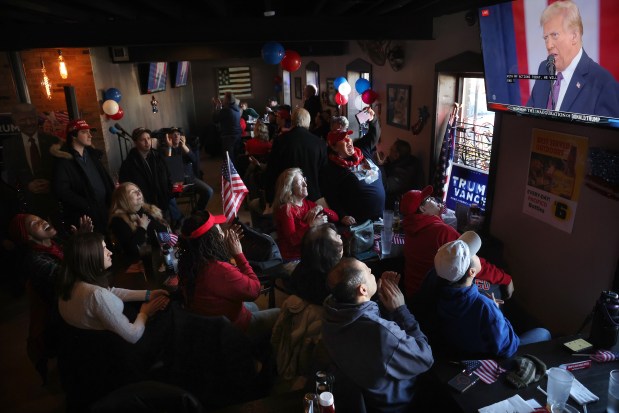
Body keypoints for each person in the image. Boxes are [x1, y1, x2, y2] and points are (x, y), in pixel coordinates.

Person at [322, 258, 434, 412]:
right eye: (369, 271)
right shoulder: (382, 333)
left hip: (361, 396)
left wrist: (377, 301)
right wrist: (400, 309)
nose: (372, 273)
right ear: (362, 290)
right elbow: (425, 358)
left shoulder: (331, 311)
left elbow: (364, 324)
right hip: (393, 403)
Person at [433, 231, 551, 358]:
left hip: (456, 350)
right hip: (488, 359)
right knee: (544, 333)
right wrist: (496, 311)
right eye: (474, 255)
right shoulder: (485, 307)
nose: (479, 257)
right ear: (472, 272)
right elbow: (509, 349)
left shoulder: (434, 286)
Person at [177, 211, 280, 339]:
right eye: (218, 230)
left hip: (208, 325)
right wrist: (238, 254)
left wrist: (223, 249)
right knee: (280, 313)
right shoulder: (221, 270)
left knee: (253, 307)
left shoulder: (188, 263)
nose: (222, 232)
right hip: (231, 330)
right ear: (211, 238)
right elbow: (255, 291)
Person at [401, 185, 513, 300]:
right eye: (429, 199)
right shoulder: (442, 232)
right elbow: (472, 263)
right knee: (495, 287)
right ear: (422, 209)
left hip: (414, 295)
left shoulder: (410, 228)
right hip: (435, 300)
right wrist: (505, 278)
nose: (434, 199)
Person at [57, 232, 170, 343]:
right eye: (104, 249)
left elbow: (110, 292)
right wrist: (145, 313)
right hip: (118, 344)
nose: (110, 252)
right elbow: (133, 335)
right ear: (90, 257)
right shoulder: (96, 295)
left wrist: (148, 294)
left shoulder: (72, 282)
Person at [270, 223, 342, 383]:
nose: (340, 238)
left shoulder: (300, 271)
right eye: (337, 239)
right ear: (329, 254)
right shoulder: (333, 287)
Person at [526, 0, 619, 117]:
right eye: (546, 38)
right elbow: (529, 117)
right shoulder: (544, 68)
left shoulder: (603, 83)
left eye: (554, 35)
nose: (549, 45)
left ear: (574, 36)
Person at [53, 119, 115, 234]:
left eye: (89, 132)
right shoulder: (64, 160)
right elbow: (62, 190)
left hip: (104, 209)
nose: (90, 135)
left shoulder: (93, 155)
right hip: (85, 215)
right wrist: (87, 205)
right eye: (84, 132)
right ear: (73, 136)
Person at [320, 117, 385, 225]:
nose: (348, 141)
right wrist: (342, 215)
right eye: (343, 140)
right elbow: (330, 196)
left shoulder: (362, 150)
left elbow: (374, 135)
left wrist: (372, 119)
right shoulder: (332, 168)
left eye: (348, 137)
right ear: (334, 147)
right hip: (360, 224)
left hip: (380, 217)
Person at [3, 103, 60, 220]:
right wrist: (26, 186)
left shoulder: (52, 141)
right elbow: (10, 176)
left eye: (32, 118)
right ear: (15, 121)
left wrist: (52, 184)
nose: (29, 123)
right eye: (23, 120)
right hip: (29, 207)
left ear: (37, 119)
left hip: (56, 202)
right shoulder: (9, 145)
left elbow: (62, 170)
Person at [272, 168, 338, 263]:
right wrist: (312, 225)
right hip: (294, 257)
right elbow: (292, 241)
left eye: (304, 180)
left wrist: (321, 208)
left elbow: (335, 218)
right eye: (300, 182)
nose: (305, 184)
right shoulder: (286, 209)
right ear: (289, 188)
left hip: (310, 252)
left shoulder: (307, 204)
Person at [264, 108, 327, 205]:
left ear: (292, 121)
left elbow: (272, 169)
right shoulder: (320, 143)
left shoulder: (280, 141)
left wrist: (269, 197)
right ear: (308, 122)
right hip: (312, 195)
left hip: (287, 195)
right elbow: (323, 174)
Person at [108, 182, 170, 267]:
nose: (138, 192)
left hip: (162, 259)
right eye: (133, 192)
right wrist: (142, 228)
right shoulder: (118, 220)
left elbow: (165, 233)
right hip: (140, 266)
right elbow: (131, 250)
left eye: (138, 190)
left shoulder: (149, 210)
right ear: (123, 199)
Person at [118, 127, 174, 217]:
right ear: (135, 142)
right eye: (142, 140)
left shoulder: (157, 156)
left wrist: (169, 194)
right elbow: (125, 187)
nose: (147, 142)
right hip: (144, 208)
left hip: (163, 203)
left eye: (148, 138)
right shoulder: (129, 164)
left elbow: (167, 175)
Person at [161, 127, 214, 211]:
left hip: (190, 181)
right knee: (171, 195)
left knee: (209, 191)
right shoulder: (166, 150)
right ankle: (178, 217)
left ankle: (197, 211)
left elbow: (194, 159)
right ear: (169, 137)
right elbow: (169, 166)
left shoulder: (185, 147)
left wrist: (184, 146)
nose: (177, 136)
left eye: (178, 134)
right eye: (174, 134)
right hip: (178, 184)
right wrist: (170, 147)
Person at [376, 138, 424, 209]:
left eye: (391, 150)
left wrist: (380, 165)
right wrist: (385, 161)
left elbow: (387, 186)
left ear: (396, 155)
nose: (389, 152)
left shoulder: (404, 172)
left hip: (397, 205)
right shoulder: (400, 162)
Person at [212, 92, 242, 160]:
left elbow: (215, 119)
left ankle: (230, 171)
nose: (223, 100)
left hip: (228, 137)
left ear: (228, 100)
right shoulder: (236, 108)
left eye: (224, 98)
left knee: (228, 159)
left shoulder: (226, 110)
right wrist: (221, 107)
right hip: (237, 135)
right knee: (235, 156)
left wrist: (217, 107)